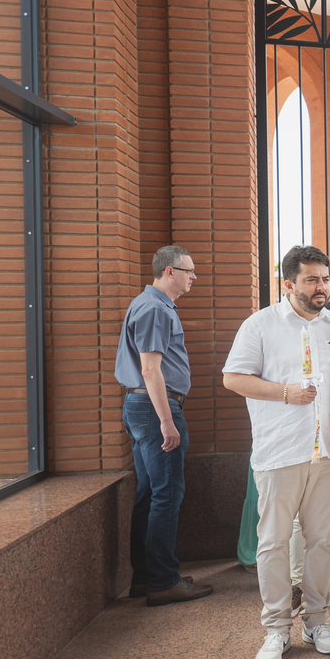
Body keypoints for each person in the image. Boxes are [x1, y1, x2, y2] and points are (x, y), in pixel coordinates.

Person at [223, 245, 330, 659]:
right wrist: (284, 393)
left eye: (326, 279)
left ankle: (316, 621)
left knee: (322, 542)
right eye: (313, 279)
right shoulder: (260, 325)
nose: (323, 287)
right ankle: (277, 628)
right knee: (274, 542)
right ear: (289, 284)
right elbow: (233, 377)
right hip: (280, 451)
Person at [115, 245, 212, 606]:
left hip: (143, 406)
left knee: (150, 493)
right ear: (169, 272)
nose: (194, 277)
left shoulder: (152, 304)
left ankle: (146, 577)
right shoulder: (155, 308)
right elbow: (150, 369)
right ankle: (163, 581)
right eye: (189, 270)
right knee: (167, 493)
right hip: (156, 408)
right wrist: (167, 421)